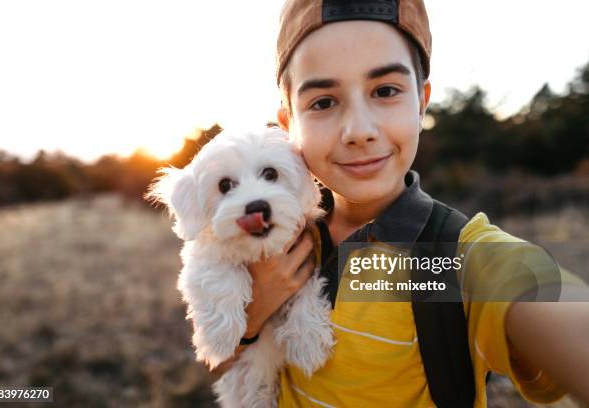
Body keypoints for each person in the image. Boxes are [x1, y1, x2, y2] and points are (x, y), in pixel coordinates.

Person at [210, 0, 589, 406]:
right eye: (323, 101)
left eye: (385, 90)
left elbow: (544, 301)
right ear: (288, 123)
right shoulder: (270, 229)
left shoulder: (455, 257)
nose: (359, 131)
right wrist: (250, 321)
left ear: (422, 101)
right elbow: (216, 359)